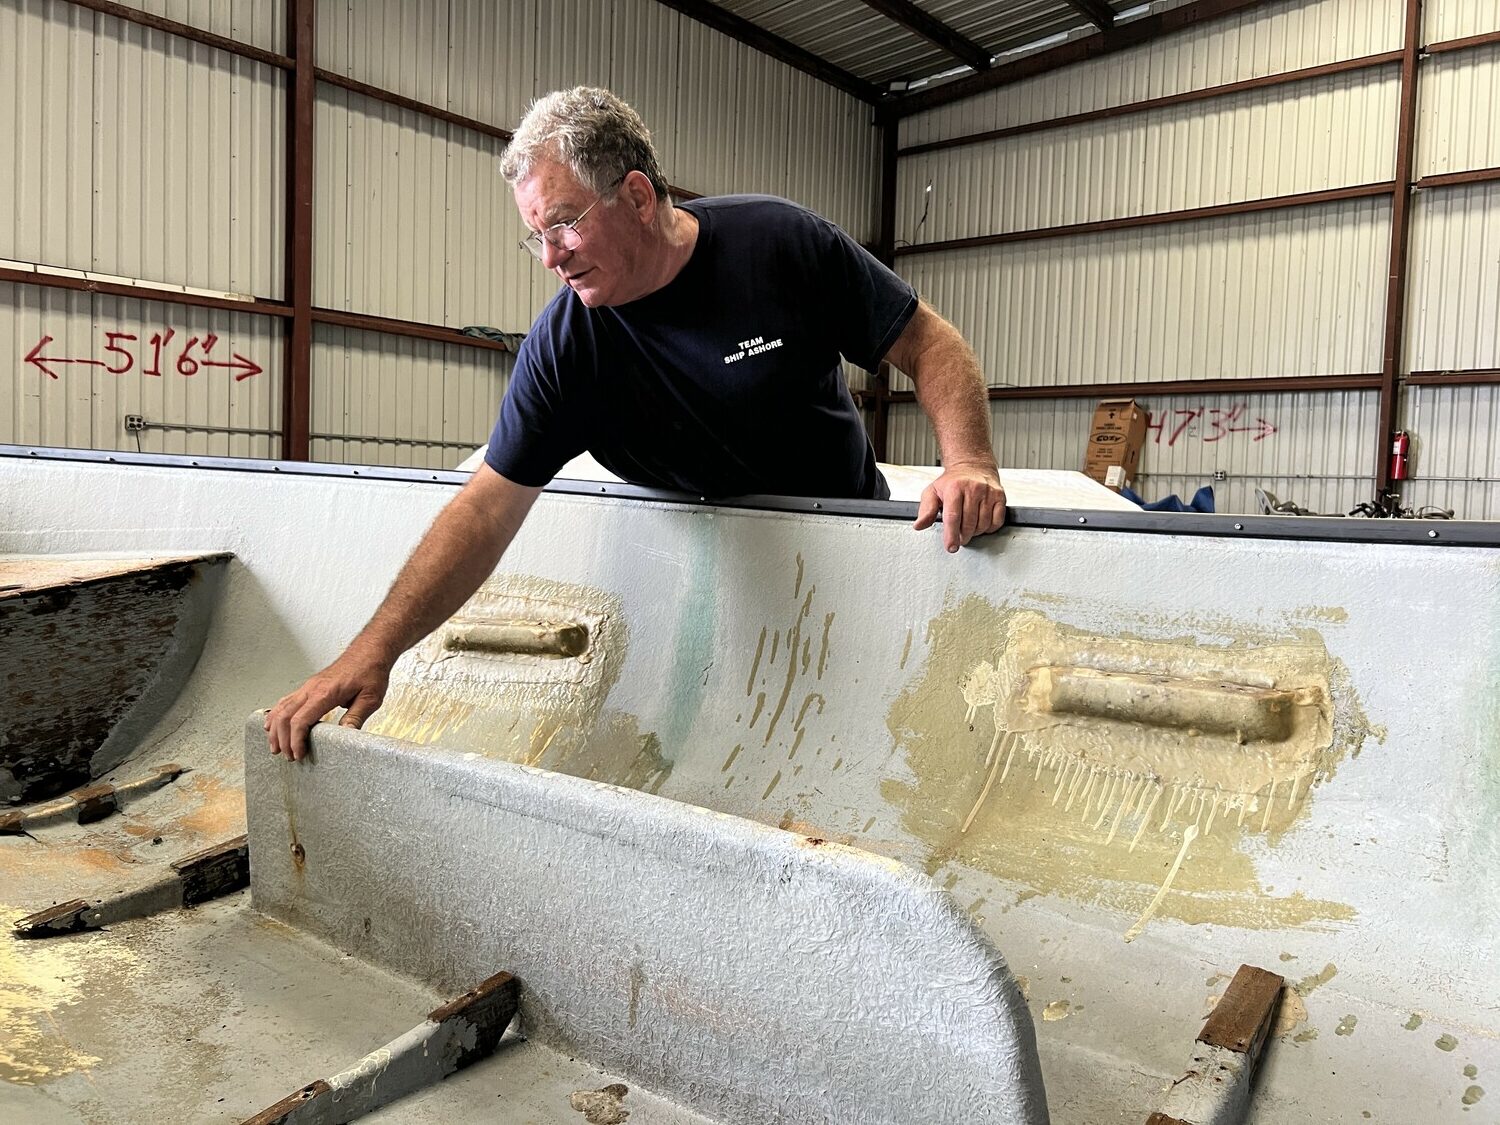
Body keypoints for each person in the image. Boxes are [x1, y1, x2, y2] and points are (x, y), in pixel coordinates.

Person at [266, 87, 1005, 761]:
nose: (551, 257)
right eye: (536, 235)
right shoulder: (566, 347)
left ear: (638, 197)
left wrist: (967, 459)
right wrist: (373, 650)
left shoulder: (778, 245)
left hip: (849, 554)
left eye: (564, 224)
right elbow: (486, 508)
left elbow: (927, 342)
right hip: (713, 585)